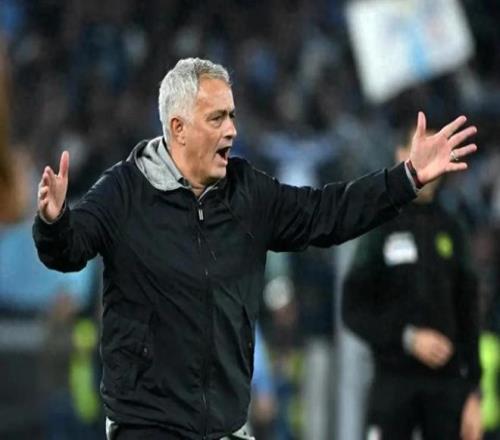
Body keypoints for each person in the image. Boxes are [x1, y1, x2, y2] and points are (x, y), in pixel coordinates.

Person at [32, 57, 477, 440]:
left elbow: (327, 212)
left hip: (226, 425)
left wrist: (405, 178)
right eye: (217, 118)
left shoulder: (247, 194)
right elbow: (69, 249)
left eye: (232, 116)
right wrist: (54, 222)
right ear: (178, 128)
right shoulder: (124, 191)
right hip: (147, 426)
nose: (232, 130)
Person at [342, 131, 482, 440]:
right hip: (392, 383)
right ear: (401, 154)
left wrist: (474, 392)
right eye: (422, 150)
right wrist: (407, 337)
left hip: (446, 388)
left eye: (436, 152)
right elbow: (352, 308)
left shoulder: (453, 229)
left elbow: (470, 313)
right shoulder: (380, 226)